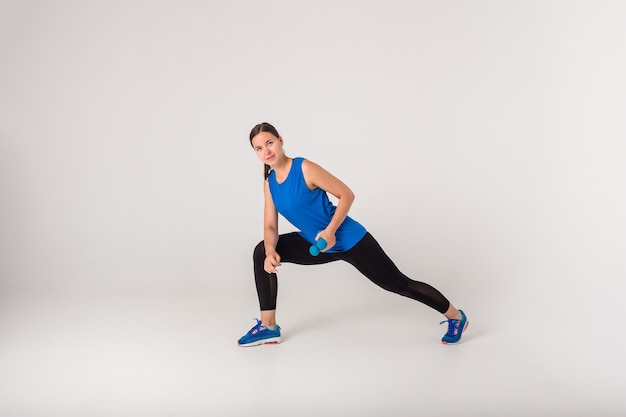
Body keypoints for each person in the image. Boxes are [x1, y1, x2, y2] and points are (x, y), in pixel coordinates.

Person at [238, 122, 468, 347]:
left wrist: (330, 231)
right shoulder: (269, 183)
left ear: (280, 141)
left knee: (399, 284)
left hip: (349, 240)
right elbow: (270, 226)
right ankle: (268, 327)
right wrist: (270, 252)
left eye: (269, 143)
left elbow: (346, 194)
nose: (266, 151)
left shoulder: (304, 168)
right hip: (317, 243)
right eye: (259, 148)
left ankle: (456, 317)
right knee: (261, 251)